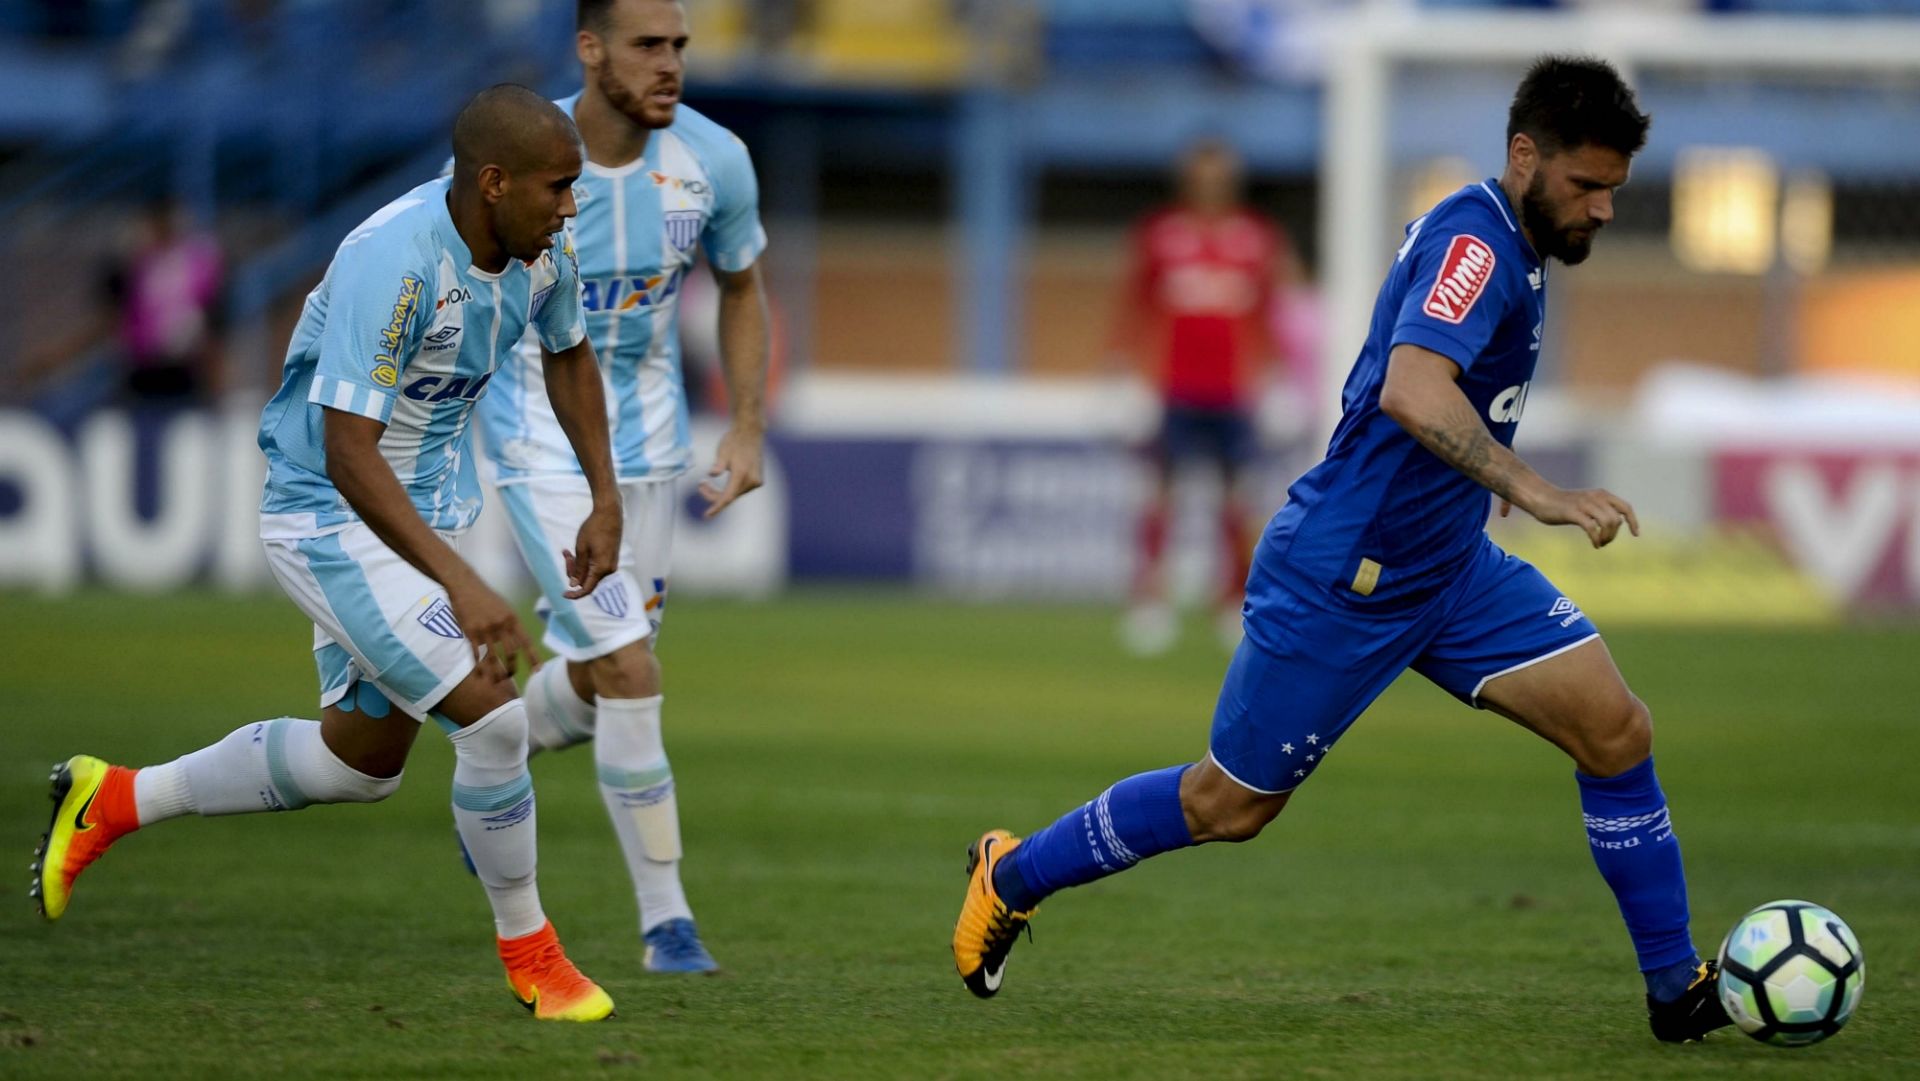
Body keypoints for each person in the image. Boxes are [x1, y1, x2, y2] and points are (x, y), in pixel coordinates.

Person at [953, 56, 1736, 1044]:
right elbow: (1413, 388)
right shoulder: (1477, 245)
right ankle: (1012, 872)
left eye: (1614, 190)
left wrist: (1479, 492)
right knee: (1227, 804)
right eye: (1586, 185)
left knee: (1616, 731)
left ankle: (1675, 988)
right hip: (1349, 572)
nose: (1603, 209)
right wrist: (1536, 489)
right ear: (1524, 155)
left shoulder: (1516, 242)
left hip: (1450, 568)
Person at [32, 85, 626, 1023]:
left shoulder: (540, 249)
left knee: (359, 764)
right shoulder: (393, 261)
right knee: (494, 719)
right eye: (557, 187)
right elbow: (349, 453)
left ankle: (115, 799)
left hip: (422, 516)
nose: (570, 206)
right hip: (328, 517)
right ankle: (535, 957)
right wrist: (462, 582)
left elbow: (570, 354)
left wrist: (605, 494)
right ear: (494, 183)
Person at [473, 0, 770, 974]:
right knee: (634, 669)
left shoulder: (715, 160)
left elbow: (742, 286)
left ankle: (490, 751)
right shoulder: (525, 157)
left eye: (678, 45)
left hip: (651, 449)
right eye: (648, 45)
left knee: (604, 686)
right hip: (542, 442)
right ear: (590, 48)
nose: (669, 63)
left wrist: (748, 424)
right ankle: (666, 922)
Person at [1110, 139, 1288, 655]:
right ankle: (1150, 601)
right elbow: (1134, 304)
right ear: (1187, 179)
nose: (1211, 185)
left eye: (1220, 176)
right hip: (1175, 388)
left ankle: (1231, 600)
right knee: (1160, 494)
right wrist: (1123, 370)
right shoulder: (1161, 234)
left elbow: (1270, 313)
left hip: (1234, 391)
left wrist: (1277, 376)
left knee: (1238, 498)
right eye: (1202, 176)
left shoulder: (1255, 237)